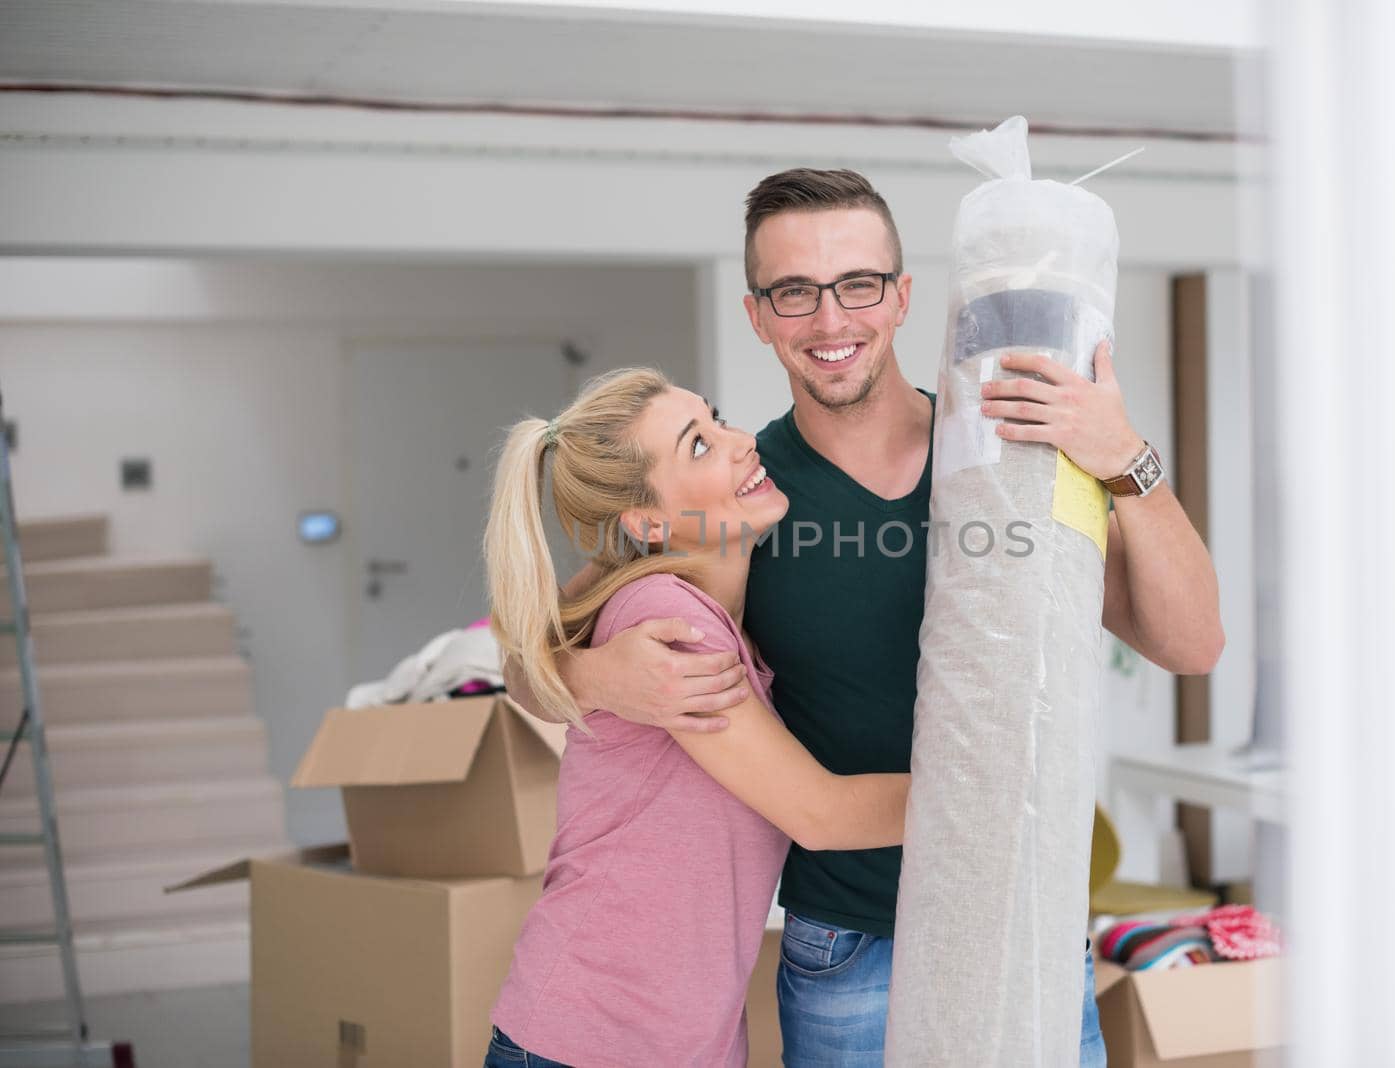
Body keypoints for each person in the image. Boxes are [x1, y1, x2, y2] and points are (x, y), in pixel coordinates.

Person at [535, 169, 1225, 1066]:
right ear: (757, 314)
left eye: (858, 284)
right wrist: (591, 672)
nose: (831, 322)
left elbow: (1193, 643)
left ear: (902, 299)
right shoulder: (740, 501)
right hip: (850, 950)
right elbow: (539, 636)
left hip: (1022, 925)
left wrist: (1125, 458)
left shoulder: (1006, 461)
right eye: (794, 292)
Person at [481, 367, 912, 1068]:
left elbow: (538, 651)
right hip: (590, 1041)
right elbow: (821, 815)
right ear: (648, 522)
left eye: (715, 420)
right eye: (700, 446)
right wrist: (1004, 792)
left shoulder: (720, 581)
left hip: (676, 1044)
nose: (741, 442)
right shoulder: (668, 619)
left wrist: (580, 672)